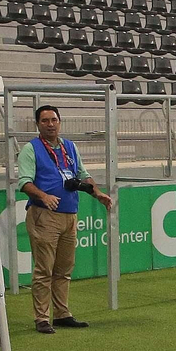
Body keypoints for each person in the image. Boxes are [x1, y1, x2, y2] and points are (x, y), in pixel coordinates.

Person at [18, 104, 112, 333]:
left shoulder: (69, 147)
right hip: (44, 215)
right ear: (38, 124)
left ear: (60, 122)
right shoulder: (31, 149)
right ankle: (41, 318)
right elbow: (24, 182)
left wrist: (97, 193)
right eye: (45, 121)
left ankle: (62, 313)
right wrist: (43, 196)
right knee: (44, 269)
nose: (50, 124)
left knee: (64, 269)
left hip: (70, 214)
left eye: (53, 120)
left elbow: (82, 174)